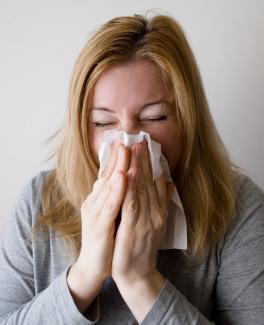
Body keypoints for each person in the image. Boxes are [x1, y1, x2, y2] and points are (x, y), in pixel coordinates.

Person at [0, 13, 263, 325]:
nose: (127, 142)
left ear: (187, 121)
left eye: (155, 118)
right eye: (103, 122)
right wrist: (85, 274)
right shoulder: (39, 201)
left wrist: (140, 280)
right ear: (82, 127)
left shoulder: (237, 207)